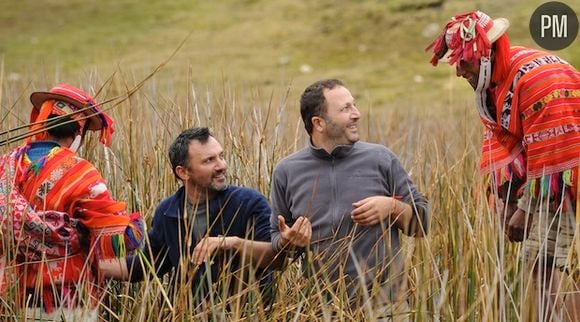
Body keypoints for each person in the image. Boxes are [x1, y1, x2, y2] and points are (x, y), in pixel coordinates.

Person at [428, 10, 580, 321]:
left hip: (565, 176)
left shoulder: (538, 78)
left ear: (484, 55)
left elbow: (555, 150)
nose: (458, 72)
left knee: (544, 267)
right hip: (554, 178)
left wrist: (527, 207)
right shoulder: (496, 82)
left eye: (463, 62)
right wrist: (506, 199)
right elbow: (504, 143)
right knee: (543, 268)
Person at [270, 79, 430, 316]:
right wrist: (288, 242)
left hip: (386, 308)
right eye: (345, 109)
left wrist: (393, 207)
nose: (357, 114)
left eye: (354, 105)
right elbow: (277, 250)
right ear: (319, 123)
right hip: (321, 310)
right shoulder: (286, 172)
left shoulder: (381, 159)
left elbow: (423, 223)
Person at [0, 84, 144, 321]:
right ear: (80, 133)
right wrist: (136, 227)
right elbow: (115, 238)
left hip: (10, 295)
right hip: (65, 299)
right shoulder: (81, 173)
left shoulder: (5, 165)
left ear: (43, 120)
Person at [101, 127, 278, 309]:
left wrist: (232, 243)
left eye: (221, 156)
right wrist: (90, 267)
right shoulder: (167, 212)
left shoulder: (249, 203)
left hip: (248, 313)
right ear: (183, 172)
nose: (221, 165)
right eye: (209, 160)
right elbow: (145, 266)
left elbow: (277, 258)